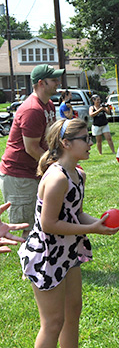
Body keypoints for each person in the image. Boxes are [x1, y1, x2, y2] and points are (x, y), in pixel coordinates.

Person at [18, 118, 119, 348]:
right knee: (53, 322)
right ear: (66, 143)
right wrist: (90, 229)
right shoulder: (57, 178)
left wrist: (101, 223)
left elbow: (74, 214)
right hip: (46, 255)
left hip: (67, 252)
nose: (90, 143)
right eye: (85, 139)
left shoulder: (78, 174)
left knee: (72, 312)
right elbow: (49, 224)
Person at [0, 64, 61, 239]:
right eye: (54, 80)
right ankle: (30, 265)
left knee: (43, 220)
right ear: (41, 83)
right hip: (20, 176)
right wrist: (55, 167)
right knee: (29, 228)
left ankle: (43, 262)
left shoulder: (48, 105)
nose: (58, 82)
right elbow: (32, 148)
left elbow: (49, 139)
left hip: (35, 170)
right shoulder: (32, 109)